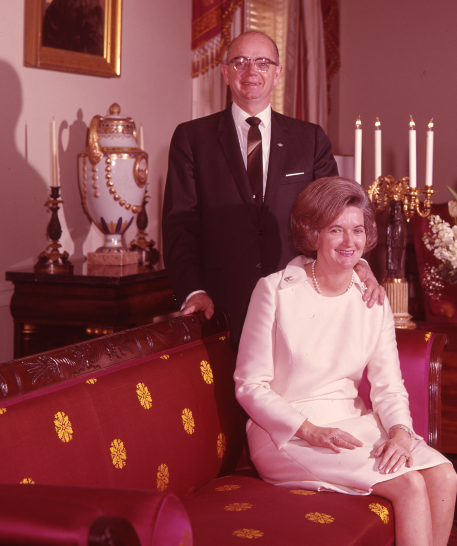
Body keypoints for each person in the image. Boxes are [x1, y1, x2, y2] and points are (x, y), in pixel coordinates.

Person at [233, 177, 457, 546]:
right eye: (335, 230)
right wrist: (307, 429)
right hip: (284, 431)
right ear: (311, 234)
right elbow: (249, 386)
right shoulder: (275, 291)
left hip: (349, 421)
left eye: (358, 230)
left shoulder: (373, 298)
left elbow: (387, 387)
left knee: (442, 474)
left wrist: (402, 432)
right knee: (408, 486)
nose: (349, 242)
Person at [162, 29, 381, 348]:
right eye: (240, 62)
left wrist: (357, 264)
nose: (251, 72)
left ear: (277, 74)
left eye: (263, 63)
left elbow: (337, 216)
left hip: (301, 300)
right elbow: (179, 224)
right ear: (225, 73)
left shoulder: (310, 139)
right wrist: (194, 290)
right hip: (221, 305)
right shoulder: (191, 139)